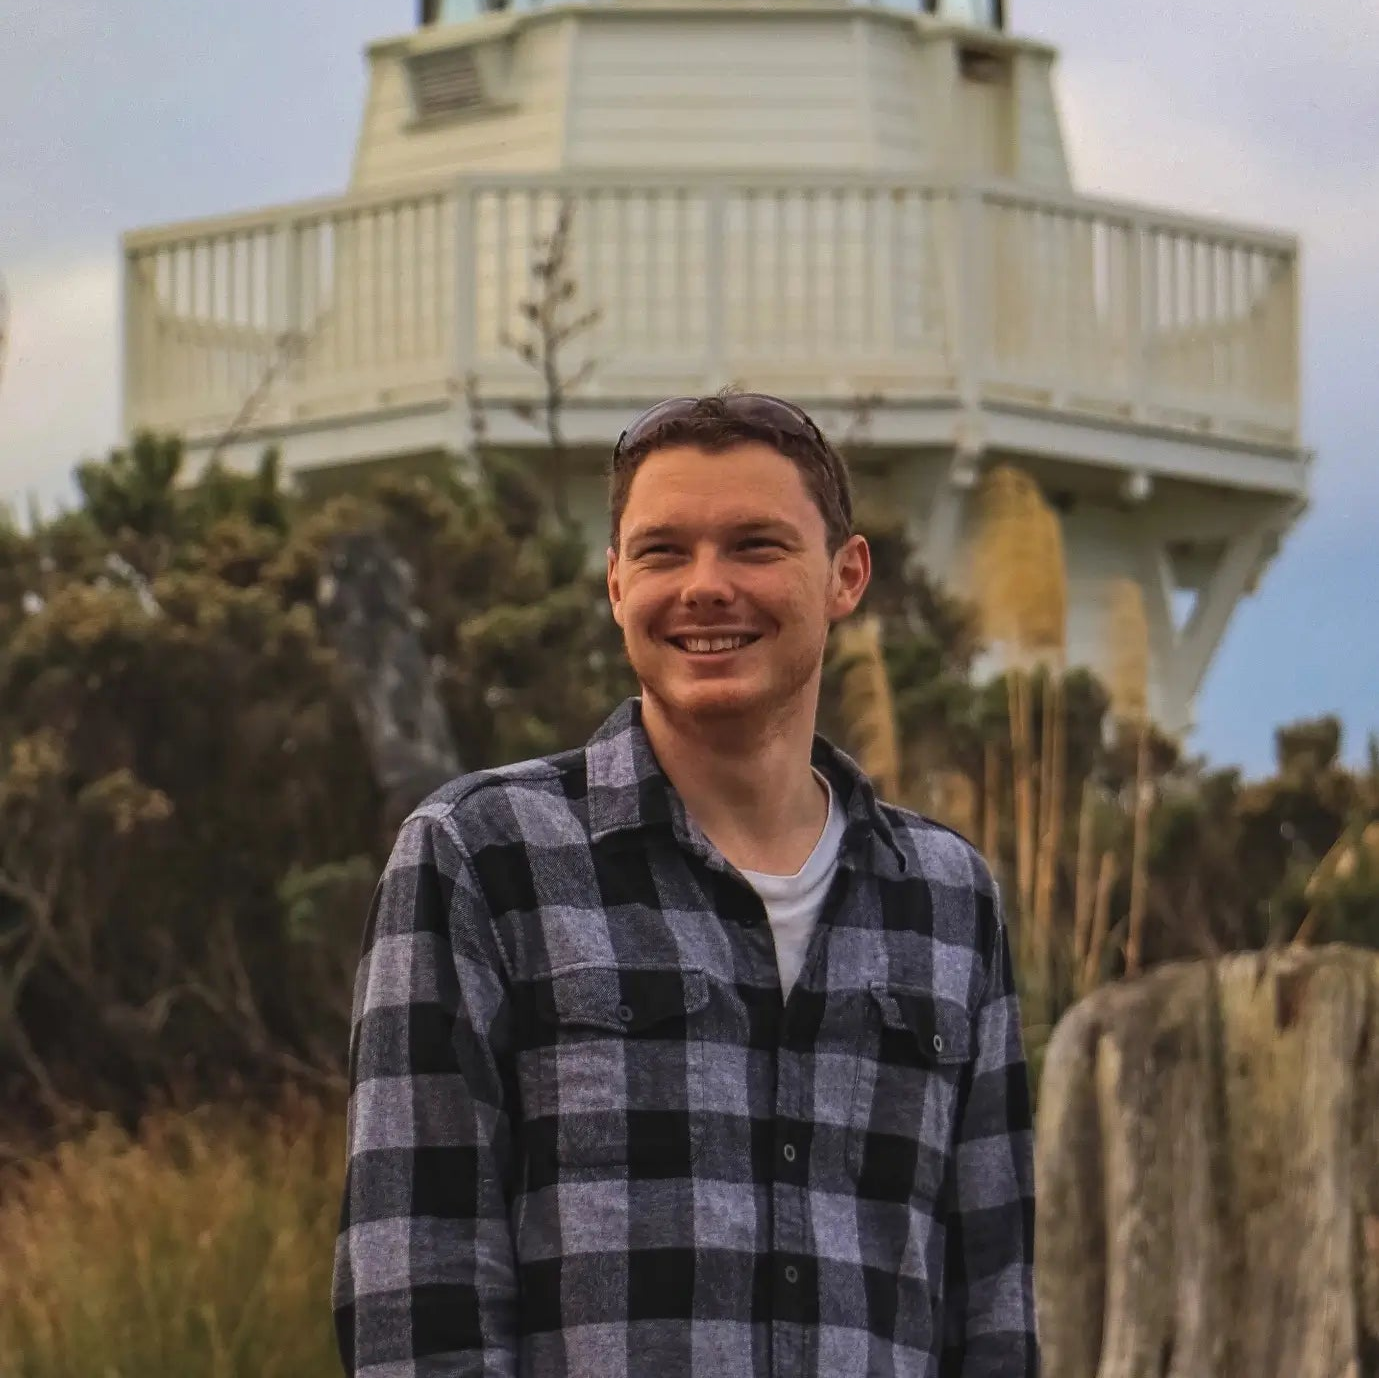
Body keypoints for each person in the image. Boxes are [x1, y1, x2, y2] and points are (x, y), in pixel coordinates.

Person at [332, 392, 1038, 1377]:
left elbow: (992, 1302)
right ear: (614, 581)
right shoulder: (480, 858)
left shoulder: (949, 898)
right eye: (663, 551)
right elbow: (417, 1296)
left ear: (845, 575)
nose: (706, 586)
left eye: (755, 545)